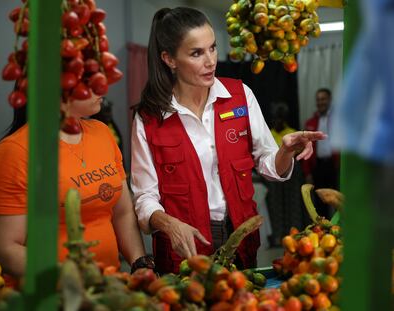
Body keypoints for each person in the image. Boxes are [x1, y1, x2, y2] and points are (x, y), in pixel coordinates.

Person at [131, 7, 326, 274]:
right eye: (196, 53)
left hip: (241, 237)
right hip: (184, 246)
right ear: (169, 59)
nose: (211, 60)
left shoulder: (239, 96)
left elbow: (269, 165)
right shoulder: (150, 118)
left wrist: (285, 151)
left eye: (212, 48)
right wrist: (167, 223)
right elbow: (144, 196)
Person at [0, 91, 150, 280]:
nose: (101, 90)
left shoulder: (102, 132)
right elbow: (4, 249)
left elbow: (123, 213)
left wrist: (139, 263)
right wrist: (71, 279)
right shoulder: (13, 153)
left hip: (107, 287)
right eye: (89, 83)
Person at [266, 103, 309, 246]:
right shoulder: (268, 134)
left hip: (293, 170)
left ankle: (295, 234)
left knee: (294, 202)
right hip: (275, 170)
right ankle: (278, 236)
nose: (278, 122)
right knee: (275, 203)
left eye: (281, 118)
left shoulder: (292, 133)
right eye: (276, 119)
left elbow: (301, 153)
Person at [303, 88, 340, 218]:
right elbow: (306, 148)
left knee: (338, 201)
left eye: (323, 99)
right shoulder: (310, 123)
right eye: (318, 99)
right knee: (320, 204)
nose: (320, 102)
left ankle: (340, 232)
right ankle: (325, 234)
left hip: (335, 166)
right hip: (317, 167)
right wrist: (307, 172)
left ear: (329, 100)